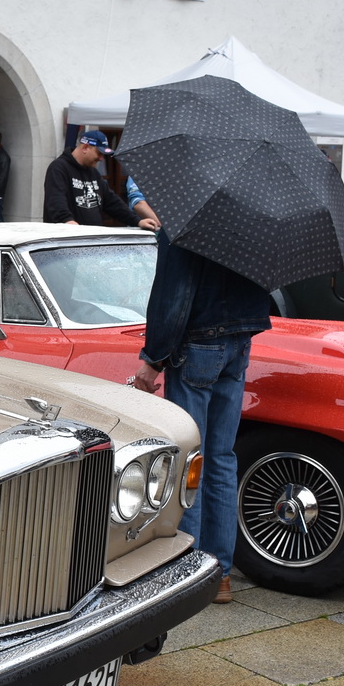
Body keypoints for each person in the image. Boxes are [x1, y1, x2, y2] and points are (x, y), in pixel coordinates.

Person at [131, 230, 272, 604]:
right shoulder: (252, 223)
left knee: (190, 462)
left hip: (198, 342)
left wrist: (153, 359)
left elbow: (171, 296)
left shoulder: (184, 225)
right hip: (240, 339)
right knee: (222, 458)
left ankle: (189, 571)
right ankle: (220, 575)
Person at [43, 131, 160, 229]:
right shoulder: (59, 168)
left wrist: (137, 221)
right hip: (66, 242)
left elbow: (112, 202)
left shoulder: (93, 173)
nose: (101, 159)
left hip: (91, 242)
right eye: (99, 153)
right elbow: (56, 203)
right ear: (85, 147)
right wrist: (69, 223)